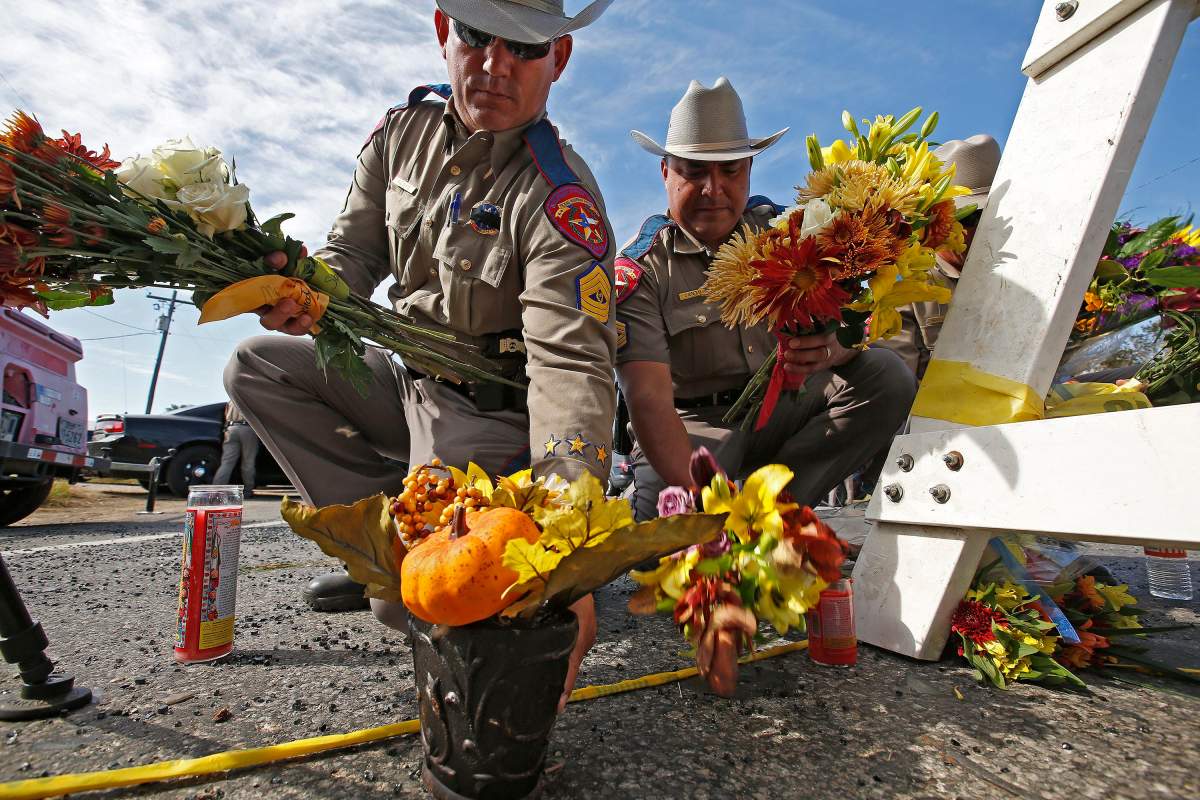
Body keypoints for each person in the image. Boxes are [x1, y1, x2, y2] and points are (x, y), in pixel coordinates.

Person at [224, 0, 616, 708]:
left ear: (557, 60)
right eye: (476, 36)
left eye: (524, 49)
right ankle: (375, 545)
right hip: (405, 383)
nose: (495, 66)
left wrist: (568, 540)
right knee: (258, 367)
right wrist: (305, 292)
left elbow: (571, 368)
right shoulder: (400, 136)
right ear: (443, 32)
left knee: (417, 603)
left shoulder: (559, 198)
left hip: (486, 412)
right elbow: (353, 255)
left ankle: (410, 557)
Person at [615, 78, 917, 521]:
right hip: (691, 430)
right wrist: (706, 504)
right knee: (668, 545)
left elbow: (854, 327)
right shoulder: (641, 269)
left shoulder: (794, 232)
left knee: (886, 375)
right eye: (694, 171)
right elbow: (649, 402)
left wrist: (835, 348)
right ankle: (709, 513)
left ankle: (776, 517)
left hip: (784, 410)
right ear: (666, 173)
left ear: (750, 170)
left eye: (730, 170)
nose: (713, 189)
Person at [873, 134, 1001, 380]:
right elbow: (898, 382)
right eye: (964, 219)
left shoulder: (1034, 268)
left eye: (987, 216)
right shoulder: (908, 292)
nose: (969, 232)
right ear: (934, 224)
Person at [213, 399, 259, 497]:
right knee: (248, 462)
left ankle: (216, 490)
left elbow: (225, 413)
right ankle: (247, 490)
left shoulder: (231, 399)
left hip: (230, 428)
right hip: (247, 428)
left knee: (227, 462)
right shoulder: (250, 397)